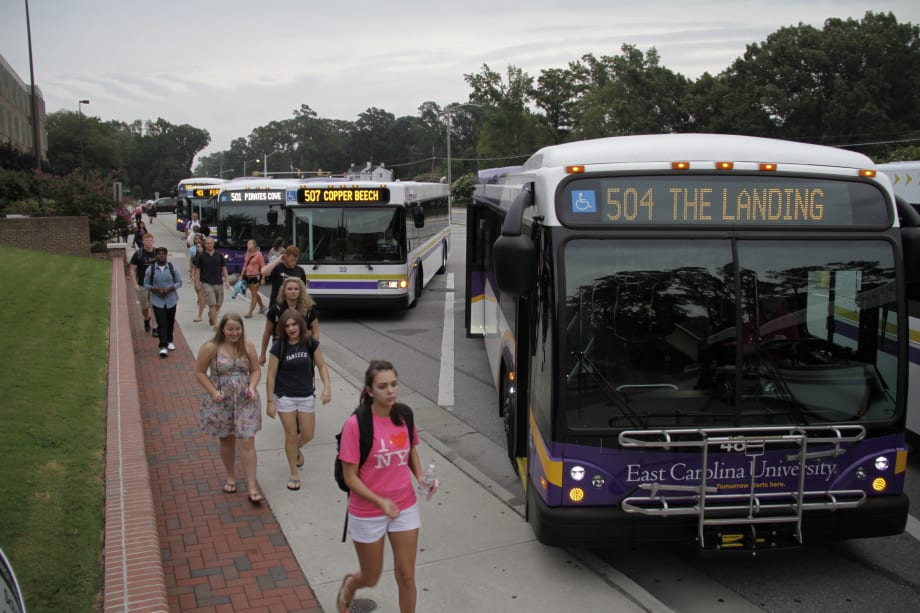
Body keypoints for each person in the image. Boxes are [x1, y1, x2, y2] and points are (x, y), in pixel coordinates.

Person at [336, 360, 425, 613]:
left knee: (407, 575)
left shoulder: (404, 416)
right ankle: (350, 585)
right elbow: (350, 477)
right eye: (383, 386)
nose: (390, 391)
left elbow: (410, 450)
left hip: (404, 506)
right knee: (370, 577)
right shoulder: (356, 425)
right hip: (367, 511)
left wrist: (421, 477)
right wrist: (380, 502)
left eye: (394, 384)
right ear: (370, 390)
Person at [195, 313, 264, 503]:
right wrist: (212, 391)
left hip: (245, 400)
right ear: (223, 330)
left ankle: (252, 486)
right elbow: (200, 373)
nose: (235, 333)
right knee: (226, 439)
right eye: (230, 329)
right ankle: (231, 476)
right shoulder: (211, 347)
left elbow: (256, 370)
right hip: (222, 400)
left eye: (238, 329)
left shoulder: (247, 346)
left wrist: (252, 386)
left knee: (248, 440)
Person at [265, 309, 331, 490]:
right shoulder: (279, 346)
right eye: (287, 326)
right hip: (285, 396)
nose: (291, 328)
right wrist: (270, 402)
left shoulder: (310, 343)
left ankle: (295, 449)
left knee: (308, 434)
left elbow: (322, 366)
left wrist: (327, 387)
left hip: (306, 395)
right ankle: (294, 473)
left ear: (300, 325)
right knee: (291, 434)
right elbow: (270, 375)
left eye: (294, 324)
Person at [259, 277, 319, 365]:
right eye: (289, 289)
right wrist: (262, 354)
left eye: (296, 289)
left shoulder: (309, 309)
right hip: (281, 346)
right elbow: (267, 333)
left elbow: (315, 332)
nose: (293, 291)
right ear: (284, 291)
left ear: (300, 291)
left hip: (303, 345)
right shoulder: (275, 310)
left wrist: (314, 353)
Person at [143, 246, 182, 358]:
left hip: (171, 299)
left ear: (166, 255)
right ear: (156, 256)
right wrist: (155, 290)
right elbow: (146, 284)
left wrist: (169, 289)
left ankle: (169, 340)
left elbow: (179, 282)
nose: (161, 256)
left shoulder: (172, 268)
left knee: (170, 321)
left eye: (163, 254)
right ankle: (163, 346)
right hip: (157, 300)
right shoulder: (150, 270)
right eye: (159, 254)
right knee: (161, 322)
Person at [193, 236, 230, 328]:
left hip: (218, 282)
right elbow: (198, 270)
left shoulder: (219, 255)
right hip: (206, 283)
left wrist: (227, 280)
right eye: (207, 243)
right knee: (212, 304)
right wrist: (197, 282)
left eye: (211, 243)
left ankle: (211, 315)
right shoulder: (201, 256)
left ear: (213, 244)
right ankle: (215, 324)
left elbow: (224, 268)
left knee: (218, 304)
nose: (209, 245)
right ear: (205, 245)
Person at [128, 232, 159, 337]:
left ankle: (155, 327)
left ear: (153, 241)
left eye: (150, 241)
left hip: (155, 285)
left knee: (155, 306)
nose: (148, 243)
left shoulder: (157, 253)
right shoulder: (138, 254)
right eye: (146, 241)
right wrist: (134, 283)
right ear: (143, 242)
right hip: (143, 284)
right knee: (145, 307)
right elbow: (132, 269)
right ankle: (146, 319)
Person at [242, 239, 267, 318]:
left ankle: (250, 312)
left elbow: (263, 266)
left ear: (254, 245)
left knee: (254, 294)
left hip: (255, 276)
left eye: (250, 243)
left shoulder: (259, 255)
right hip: (248, 276)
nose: (248, 245)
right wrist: (241, 276)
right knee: (254, 293)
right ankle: (262, 307)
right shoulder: (247, 253)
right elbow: (245, 265)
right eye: (247, 243)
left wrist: (263, 278)